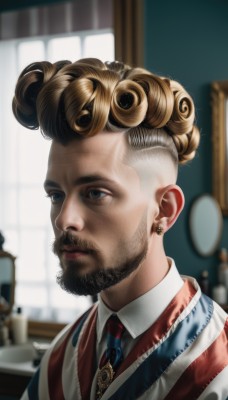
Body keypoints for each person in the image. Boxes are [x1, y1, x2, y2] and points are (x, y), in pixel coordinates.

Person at [12, 58, 228, 400]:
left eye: (95, 193)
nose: (64, 219)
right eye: (56, 195)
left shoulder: (217, 371)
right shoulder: (61, 357)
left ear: (164, 209)